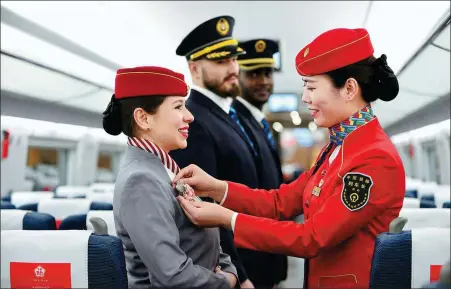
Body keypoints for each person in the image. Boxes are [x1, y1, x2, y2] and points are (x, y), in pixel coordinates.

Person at [173, 28, 406, 289]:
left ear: (349, 88)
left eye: (311, 87)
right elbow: (279, 202)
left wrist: (228, 218)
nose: (305, 98)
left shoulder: (374, 157)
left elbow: (312, 237)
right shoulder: (338, 147)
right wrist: (218, 188)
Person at [102, 66, 237, 289]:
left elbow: (203, 239)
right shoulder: (141, 181)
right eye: (178, 107)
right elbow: (173, 275)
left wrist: (229, 269)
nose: (190, 116)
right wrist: (226, 282)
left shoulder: (163, 169)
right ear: (143, 118)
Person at [169, 15, 257, 288]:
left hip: (253, 247)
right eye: (221, 61)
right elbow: (203, 208)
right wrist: (240, 275)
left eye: (234, 59)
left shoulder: (226, 114)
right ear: (195, 69)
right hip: (235, 263)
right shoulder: (194, 120)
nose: (233, 68)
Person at [231, 38, 288, 288]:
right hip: (249, 256)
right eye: (254, 74)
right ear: (237, 77)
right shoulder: (234, 122)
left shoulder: (259, 121)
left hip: (267, 252)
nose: (264, 81)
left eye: (267, 73)